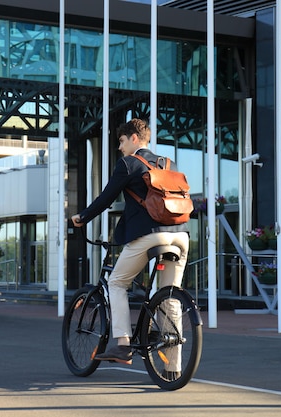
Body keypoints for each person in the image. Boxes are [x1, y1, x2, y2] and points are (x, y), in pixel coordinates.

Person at [71, 118, 189, 370]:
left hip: (150, 235)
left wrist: (82, 217)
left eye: (122, 141)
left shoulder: (128, 163)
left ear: (134, 138)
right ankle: (173, 370)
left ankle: (122, 343)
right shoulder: (169, 163)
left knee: (116, 282)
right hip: (180, 235)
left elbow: (106, 198)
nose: (119, 147)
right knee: (170, 296)